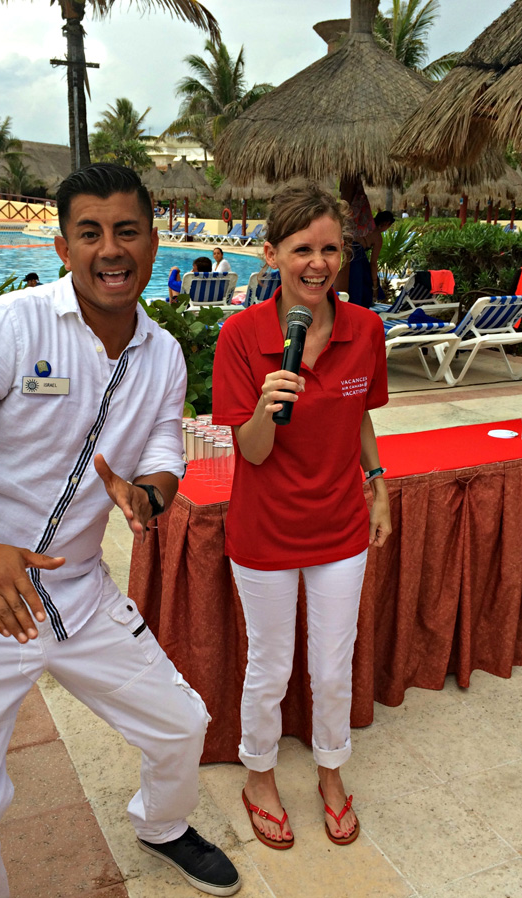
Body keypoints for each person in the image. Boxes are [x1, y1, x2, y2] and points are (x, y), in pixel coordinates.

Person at [0, 163, 240, 898]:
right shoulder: (14, 324)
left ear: (153, 242)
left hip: (78, 594)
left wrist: (146, 495)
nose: (109, 250)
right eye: (90, 234)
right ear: (62, 247)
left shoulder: (165, 353)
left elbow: (159, 456)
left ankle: (162, 824)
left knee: (182, 725)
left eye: (126, 231)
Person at [212, 182, 391, 851]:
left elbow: (360, 414)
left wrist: (376, 481)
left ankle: (330, 772)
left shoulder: (364, 328)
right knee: (270, 663)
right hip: (263, 532)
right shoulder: (240, 336)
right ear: (271, 254)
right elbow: (252, 452)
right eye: (300, 249)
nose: (316, 263)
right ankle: (258, 775)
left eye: (328, 249)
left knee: (331, 664)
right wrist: (265, 404)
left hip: (340, 525)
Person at [348, 210, 395, 308]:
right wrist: (375, 285)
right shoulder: (377, 236)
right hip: (357, 256)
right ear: (386, 223)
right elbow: (373, 263)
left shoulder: (364, 225)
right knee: (360, 287)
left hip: (347, 249)